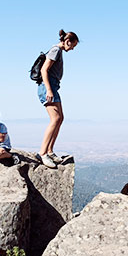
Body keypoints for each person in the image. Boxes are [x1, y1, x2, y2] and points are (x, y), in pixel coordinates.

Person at [37, 28, 79, 168]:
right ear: (67, 41)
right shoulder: (55, 50)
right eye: (72, 45)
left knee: (60, 118)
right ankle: (43, 153)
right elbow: (44, 70)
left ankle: (50, 150)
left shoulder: (58, 51)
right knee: (55, 119)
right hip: (48, 87)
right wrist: (49, 90)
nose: (72, 49)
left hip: (53, 87)